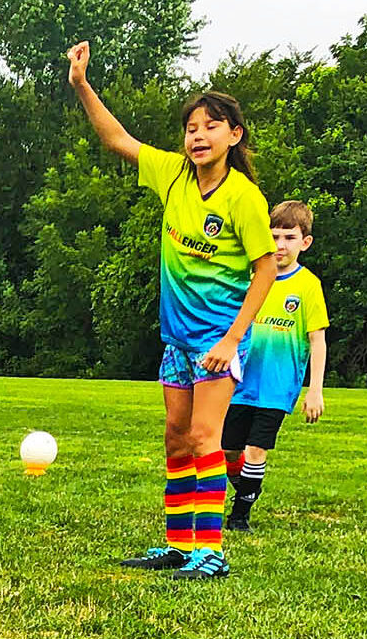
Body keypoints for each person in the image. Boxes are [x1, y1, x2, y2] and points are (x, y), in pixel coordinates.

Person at [68, 41, 275, 580]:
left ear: (235, 135)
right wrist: (81, 85)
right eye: (191, 128)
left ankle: (211, 552)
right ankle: (180, 545)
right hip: (178, 341)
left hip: (218, 341)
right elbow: (116, 139)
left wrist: (232, 341)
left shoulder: (244, 199)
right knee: (176, 437)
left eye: (211, 126)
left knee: (207, 437)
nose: (198, 136)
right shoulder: (173, 175)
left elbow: (266, 270)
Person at [223, 200, 328, 531]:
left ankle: (239, 516)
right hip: (239, 381)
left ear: (305, 243)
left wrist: (315, 391)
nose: (280, 245)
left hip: (276, 385)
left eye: (289, 237)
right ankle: (247, 489)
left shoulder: (308, 286)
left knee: (256, 449)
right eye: (275, 237)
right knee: (228, 450)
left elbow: (317, 341)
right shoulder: (251, 278)